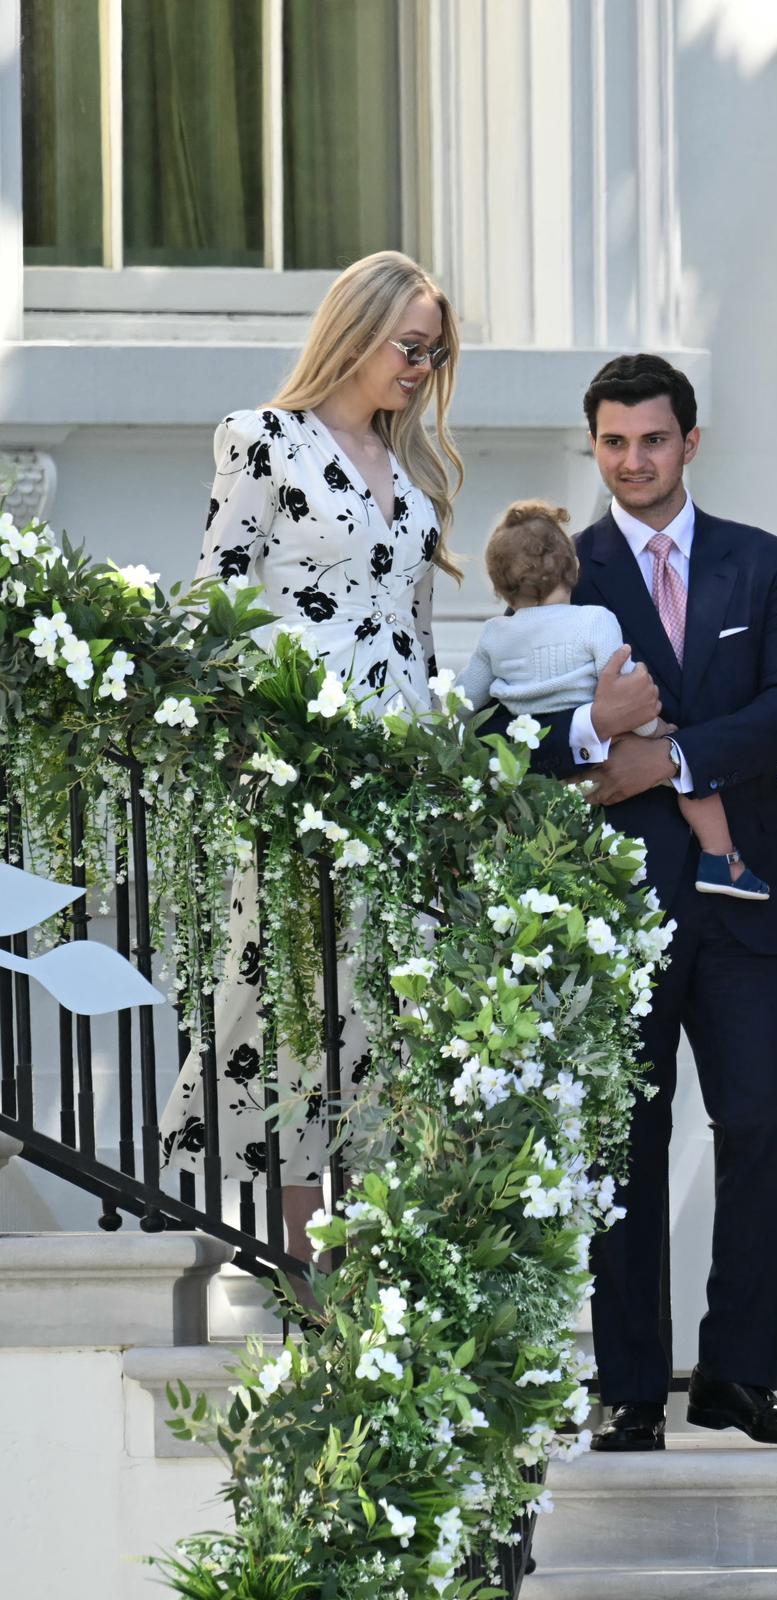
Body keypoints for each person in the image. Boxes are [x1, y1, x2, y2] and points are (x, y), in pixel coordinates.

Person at [522, 353, 777, 1452]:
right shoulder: (564, 568)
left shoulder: (765, 564)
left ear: (688, 442)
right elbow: (508, 731)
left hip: (745, 897)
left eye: (653, 440)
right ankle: (631, 1385)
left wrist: (676, 756)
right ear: (594, 446)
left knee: (765, 1125)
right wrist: (594, 733)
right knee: (623, 1141)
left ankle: (739, 1376)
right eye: (614, 442)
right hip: (615, 907)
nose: (634, 460)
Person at [161, 250, 465, 1253]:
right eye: (409, 345)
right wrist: (258, 739)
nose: (421, 367)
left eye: (435, 351)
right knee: (287, 992)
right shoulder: (266, 442)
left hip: (400, 774)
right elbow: (217, 600)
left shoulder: (412, 473)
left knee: (383, 1004)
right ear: (357, 330)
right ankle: (297, 1252)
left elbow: (417, 636)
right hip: (300, 768)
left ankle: (367, 1241)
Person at [464, 500, 764, 900]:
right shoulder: (594, 620)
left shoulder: (494, 635)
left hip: (542, 761)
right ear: (573, 568)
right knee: (688, 772)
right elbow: (625, 688)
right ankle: (721, 860)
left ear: (499, 584)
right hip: (612, 744)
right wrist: (657, 731)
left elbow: (465, 703)